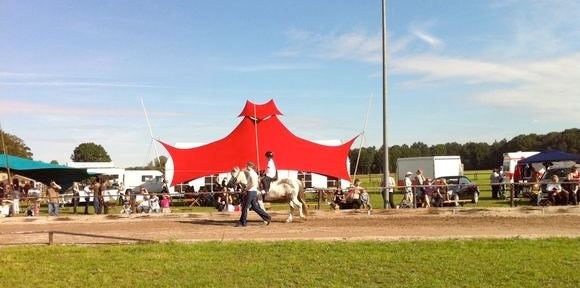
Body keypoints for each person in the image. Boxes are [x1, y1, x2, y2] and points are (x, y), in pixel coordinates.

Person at [236, 162, 272, 227]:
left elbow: (252, 183)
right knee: (255, 207)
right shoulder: (254, 173)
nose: (246, 167)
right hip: (254, 192)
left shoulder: (251, 174)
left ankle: (242, 222)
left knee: (244, 207)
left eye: (247, 166)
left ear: (250, 167)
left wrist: (245, 189)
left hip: (250, 192)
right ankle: (267, 217)